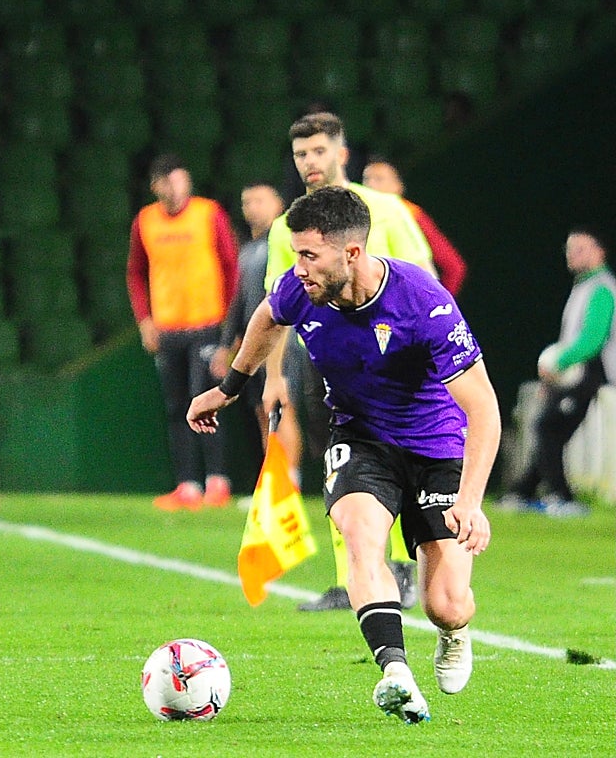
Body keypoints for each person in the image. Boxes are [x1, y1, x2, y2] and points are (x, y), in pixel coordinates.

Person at [189, 185, 500, 723]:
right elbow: (266, 317)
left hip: (436, 447)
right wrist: (231, 387)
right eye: (296, 254)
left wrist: (469, 502)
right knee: (360, 536)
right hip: (360, 439)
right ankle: (396, 672)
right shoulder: (301, 288)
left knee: (446, 604)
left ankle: (454, 632)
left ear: (351, 253)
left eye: (309, 255)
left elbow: (485, 409)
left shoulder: (421, 301)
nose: (298, 268)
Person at [265, 112, 433, 612]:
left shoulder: (384, 209)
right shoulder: (286, 227)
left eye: (319, 150)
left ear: (342, 153)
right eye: (301, 154)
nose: (310, 162)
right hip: (323, 362)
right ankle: (350, 578)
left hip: (392, 359)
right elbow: (275, 308)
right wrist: (273, 376)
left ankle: (400, 567)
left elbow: (425, 276)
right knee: (337, 461)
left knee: (398, 457)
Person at [127, 153, 240, 510]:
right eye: (167, 182)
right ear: (155, 186)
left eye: (179, 180)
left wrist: (231, 325)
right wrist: (145, 320)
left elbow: (231, 266)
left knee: (205, 401)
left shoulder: (209, 213)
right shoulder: (145, 221)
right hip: (168, 329)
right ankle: (187, 485)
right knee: (176, 407)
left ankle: (217, 481)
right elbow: (135, 272)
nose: (175, 188)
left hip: (207, 324)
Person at [502, 228, 615, 516]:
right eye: (569, 248)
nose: (572, 254)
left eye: (581, 248)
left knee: (548, 429)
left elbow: (593, 339)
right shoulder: (583, 286)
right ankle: (523, 492)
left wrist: (557, 363)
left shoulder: (601, 287)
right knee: (547, 429)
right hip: (574, 373)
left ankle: (561, 497)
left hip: (589, 372)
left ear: (600, 251)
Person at [214, 182, 301, 474]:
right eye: (247, 202)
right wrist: (228, 343)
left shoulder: (285, 241)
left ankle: (292, 479)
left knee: (282, 407)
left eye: (259, 200)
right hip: (256, 342)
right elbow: (240, 301)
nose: (252, 208)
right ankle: (273, 482)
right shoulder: (248, 250)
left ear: (278, 203)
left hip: (282, 340)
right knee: (263, 412)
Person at [362, 157, 467, 297]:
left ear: (398, 186)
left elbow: (453, 266)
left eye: (379, 179)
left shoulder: (410, 213)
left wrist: (440, 303)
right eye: (366, 179)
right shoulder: (358, 214)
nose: (370, 185)